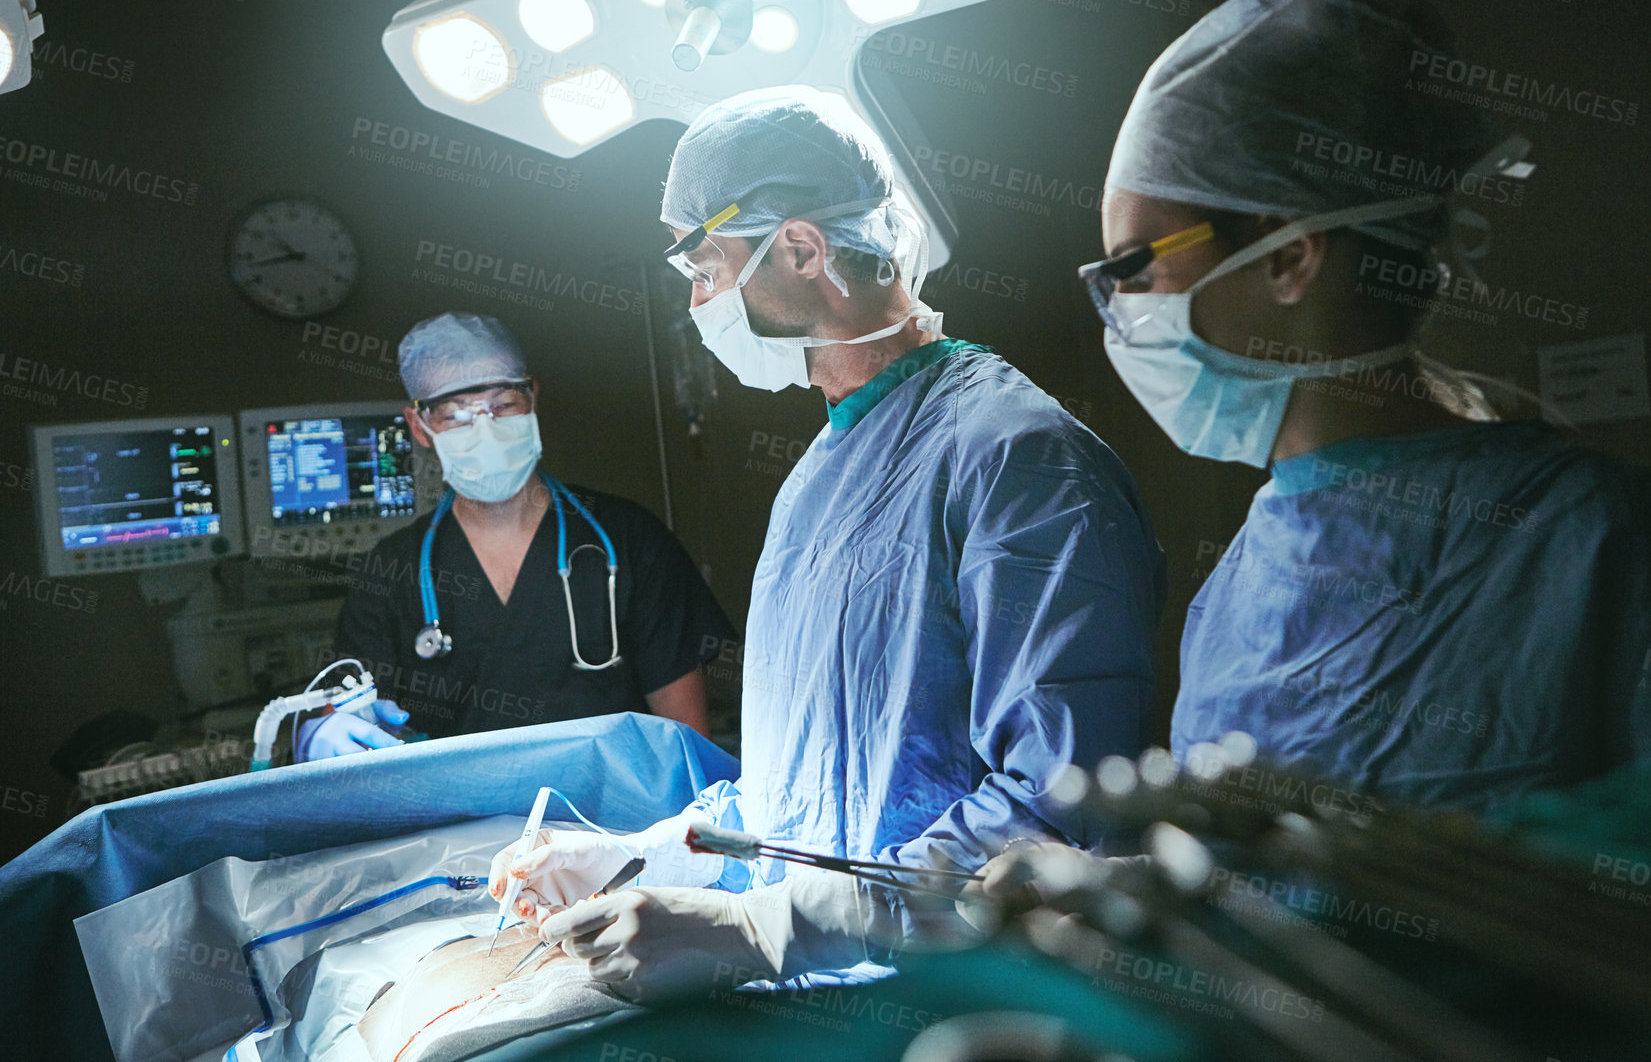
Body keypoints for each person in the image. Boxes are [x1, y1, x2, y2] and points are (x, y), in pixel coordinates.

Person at [486, 86, 1168, 998]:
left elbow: (1056, 808)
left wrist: (774, 929)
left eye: (705, 266)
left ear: (802, 248)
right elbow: (797, 789)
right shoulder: (816, 479)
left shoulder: (1019, 459)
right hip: (826, 995)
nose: (696, 301)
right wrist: (643, 859)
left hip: (965, 1003)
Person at [1076, 0, 1651, 813]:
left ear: (1287, 256)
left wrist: (1457, 883)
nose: (1119, 313)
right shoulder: (1233, 592)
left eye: (1133, 267)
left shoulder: (1603, 542)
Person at [303, 312, 736, 759]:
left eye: (503, 405)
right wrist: (323, 733)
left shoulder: (629, 541)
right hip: (456, 825)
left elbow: (689, 742)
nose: (486, 429)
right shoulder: (393, 572)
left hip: (617, 824)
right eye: (457, 415)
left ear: (532, 400)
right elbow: (344, 715)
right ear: (420, 427)